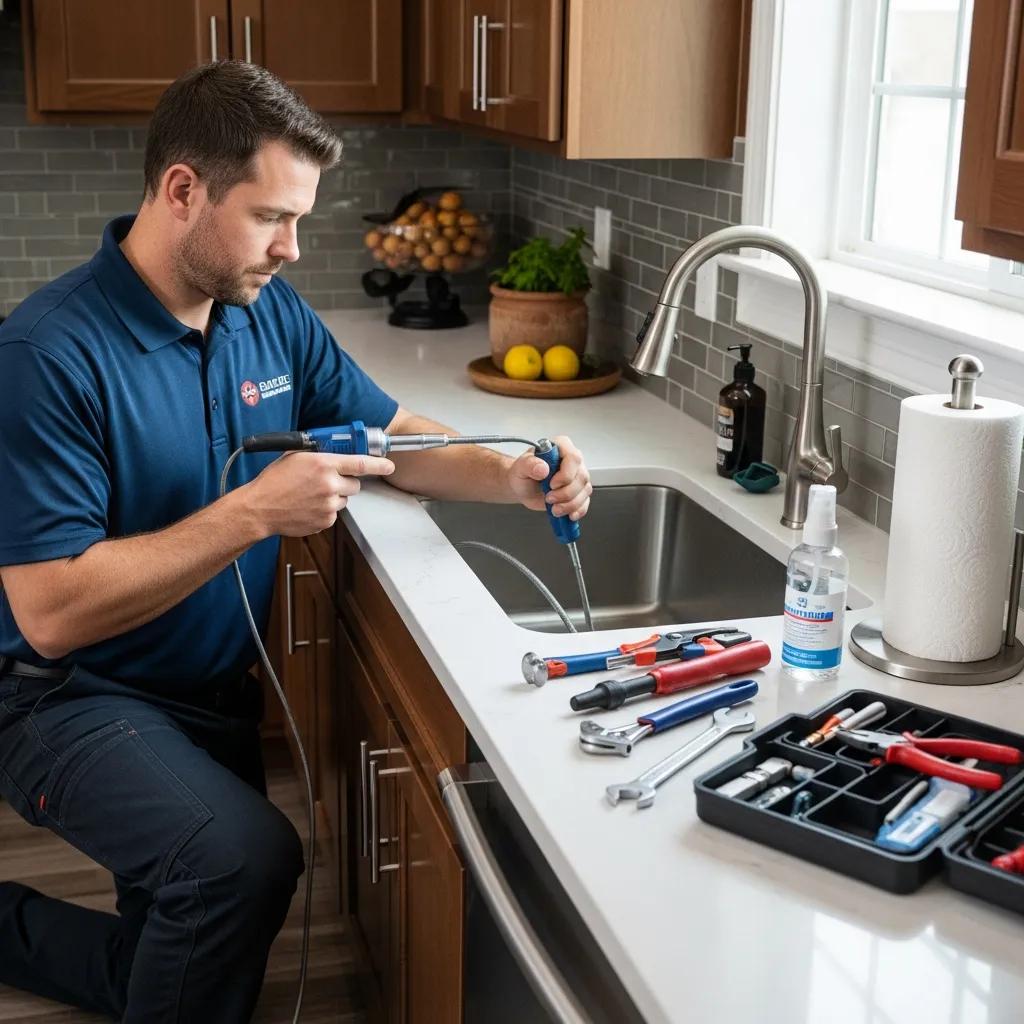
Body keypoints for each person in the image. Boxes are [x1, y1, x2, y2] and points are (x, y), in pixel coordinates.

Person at [0, 61, 591, 1023]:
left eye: (300, 219)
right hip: (62, 699)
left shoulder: (263, 312)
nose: (292, 248)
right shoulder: (47, 356)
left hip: (207, 695)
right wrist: (254, 511)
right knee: (237, 864)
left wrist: (508, 471)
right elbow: (52, 613)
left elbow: (392, 435)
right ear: (182, 190)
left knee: (178, 946)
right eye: (271, 216)